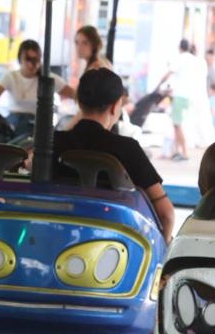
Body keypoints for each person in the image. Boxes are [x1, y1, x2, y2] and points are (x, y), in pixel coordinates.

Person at [52, 67, 176, 238]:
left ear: (80, 103)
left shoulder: (53, 143)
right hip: (114, 245)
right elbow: (166, 214)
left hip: (55, 234)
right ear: (115, 106)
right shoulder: (127, 149)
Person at [0, 39, 75, 139]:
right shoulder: (11, 77)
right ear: (20, 59)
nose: (32, 64)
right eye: (28, 59)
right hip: (12, 123)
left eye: (36, 60)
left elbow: (75, 94)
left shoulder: (47, 79)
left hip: (34, 127)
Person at [155, 39, 208, 162]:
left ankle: (184, 152)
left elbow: (169, 73)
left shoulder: (180, 58)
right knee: (178, 124)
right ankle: (177, 150)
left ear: (180, 47)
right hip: (189, 96)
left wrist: (158, 85)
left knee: (177, 124)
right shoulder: (194, 60)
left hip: (180, 96)